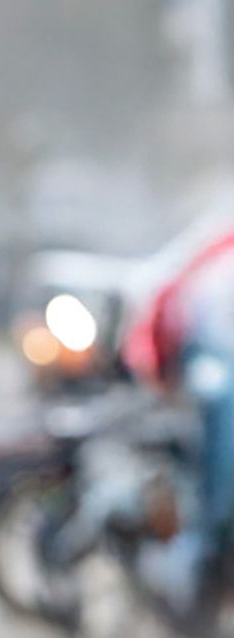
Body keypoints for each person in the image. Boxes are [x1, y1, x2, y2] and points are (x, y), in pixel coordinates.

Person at [120, 224, 234, 617]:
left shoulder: (217, 252)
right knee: (215, 491)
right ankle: (198, 567)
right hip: (208, 383)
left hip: (196, 376)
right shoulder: (221, 261)